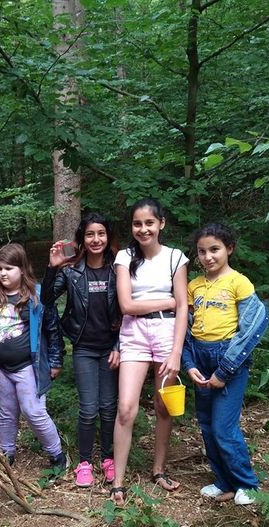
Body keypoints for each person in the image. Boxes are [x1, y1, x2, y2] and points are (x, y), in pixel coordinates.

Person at [109, 198, 189, 505]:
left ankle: (158, 469)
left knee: (163, 405)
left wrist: (177, 352)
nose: (143, 229)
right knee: (126, 408)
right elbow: (127, 305)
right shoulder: (124, 258)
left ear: (161, 224)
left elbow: (183, 307)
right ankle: (118, 481)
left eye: (149, 223)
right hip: (134, 333)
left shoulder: (175, 258)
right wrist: (166, 302)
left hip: (168, 333)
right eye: (137, 224)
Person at [182, 223, 268, 506]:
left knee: (223, 427)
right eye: (202, 251)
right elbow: (186, 328)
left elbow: (253, 326)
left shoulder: (238, 282)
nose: (208, 257)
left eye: (215, 249)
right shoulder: (193, 285)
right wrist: (189, 363)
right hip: (201, 358)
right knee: (206, 425)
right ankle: (224, 481)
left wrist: (224, 371)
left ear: (229, 249)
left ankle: (247, 483)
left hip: (228, 361)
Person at [41, 213, 121, 487]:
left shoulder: (118, 268)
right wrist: (53, 268)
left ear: (108, 236)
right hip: (84, 348)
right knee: (88, 409)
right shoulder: (72, 271)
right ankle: (84, 462)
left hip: (111, 348)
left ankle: (109, 458)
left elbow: (129, 312)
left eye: (101, 233)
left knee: (109, 408)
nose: (96, 239)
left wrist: (120, 345)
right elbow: (47, 299)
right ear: (82, 239)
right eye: (90, 234)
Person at [0, 243, 67, 471]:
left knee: (34, 411)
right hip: (0, 366)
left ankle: (57, 454)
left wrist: (56, 360)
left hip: (28, 366)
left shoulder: (36, 295)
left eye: (8, 268)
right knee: (7, 412)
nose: (3, 273)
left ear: (22, 268)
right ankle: (6, 453)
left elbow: (52, 328)